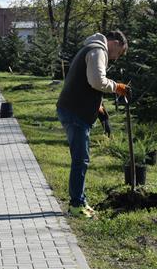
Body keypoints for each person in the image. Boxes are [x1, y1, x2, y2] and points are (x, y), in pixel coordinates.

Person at [55, 31, 129, 218]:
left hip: (73, 109)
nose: (117, 57)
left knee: (81, 159)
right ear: (115, 42)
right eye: (120, 52)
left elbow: (85, 83)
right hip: (75, 112)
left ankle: (80, 200)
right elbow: (97, 81)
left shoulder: (91, 48)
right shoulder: (98, 50)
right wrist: (117, 87)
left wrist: (98, 106)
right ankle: (76, 205)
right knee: (80, 160)